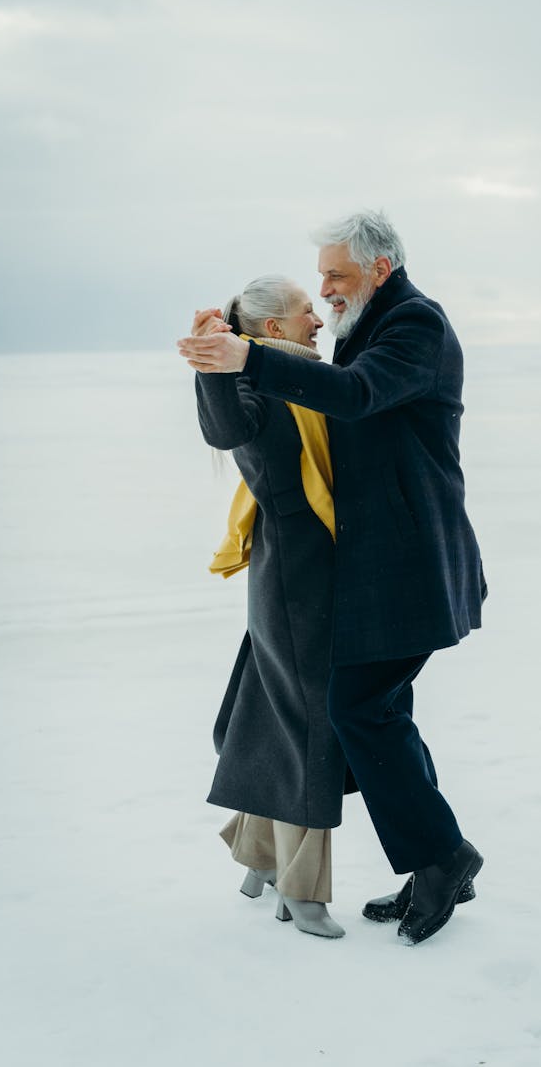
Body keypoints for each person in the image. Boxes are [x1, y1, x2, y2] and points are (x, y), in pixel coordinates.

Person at [179, 210, 488, 946]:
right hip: (375, 572)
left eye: (336, 275)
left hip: (410, 565)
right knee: (378, 708)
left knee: (359, 707)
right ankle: (436, 860)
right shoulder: (368, 325)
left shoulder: (415, 326)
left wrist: (246, 356)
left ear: (380, 268)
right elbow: (260, 419)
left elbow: (350, 397)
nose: (324, 292)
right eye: (317, 279)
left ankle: (443, 857)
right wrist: (227, 366)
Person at [187, 275, 348, 940]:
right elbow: (226, 428)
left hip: (300, 571)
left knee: (275, 708)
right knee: (314, 723)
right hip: (294, 577)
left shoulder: (307, 375)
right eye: (305, 311)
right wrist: (213, 362)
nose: (317, 317)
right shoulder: (258, 380)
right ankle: (302, 888)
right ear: (274, 329)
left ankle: (257, 853)